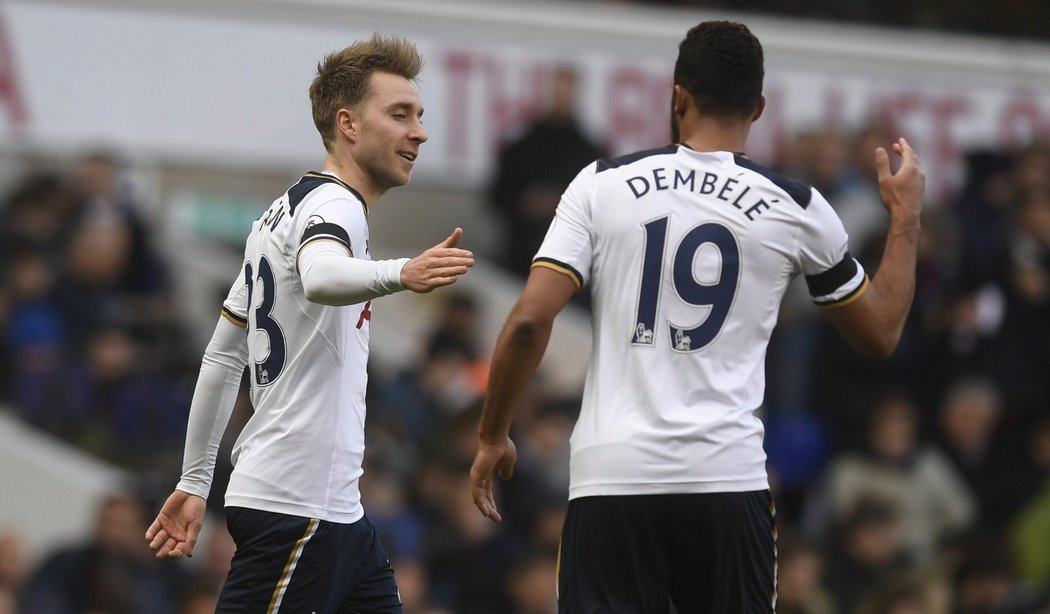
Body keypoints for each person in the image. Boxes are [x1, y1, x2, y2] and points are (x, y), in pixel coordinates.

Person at [470, 20, 925, 613]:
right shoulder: (798, 206)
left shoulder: (600, 184)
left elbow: (531, 322)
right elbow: (882, 330)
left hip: (613, 477)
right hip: (725, 479)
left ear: (676, 95)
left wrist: (491, 433)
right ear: (759, 107)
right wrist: (907, 216)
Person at [146, 34, 474, 613]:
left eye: (419, 116)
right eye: (400, 115)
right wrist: (405, 271)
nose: (418, 132)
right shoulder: (336, 207)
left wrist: (196, 481)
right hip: (296, 506)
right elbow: (323, 276)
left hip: (334, 510)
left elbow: (223, 358)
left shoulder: (281, 212)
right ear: (347, 123)